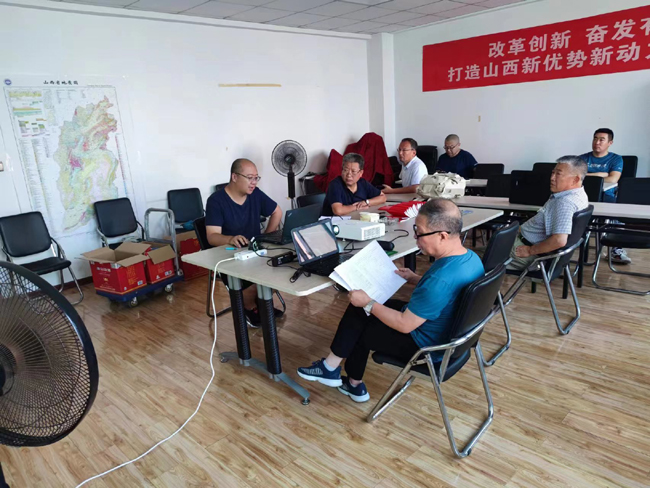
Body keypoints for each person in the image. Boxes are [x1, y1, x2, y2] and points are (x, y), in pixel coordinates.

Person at [297, 199, 484, 403]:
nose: (415, 237)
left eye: (419, 232)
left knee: (360, 325)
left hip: (426, 348)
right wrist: (415, 278)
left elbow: (404, 324)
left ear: (442, 236)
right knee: (362, 311)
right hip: (446, 336)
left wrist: (368, 302)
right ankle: (336, 372)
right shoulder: (470, 259)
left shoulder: (439, 281)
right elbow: (448, 291)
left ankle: (346, 379)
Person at [206, 158, 283, 325]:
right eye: (249, 178)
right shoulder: (216, 201)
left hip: (255, 251)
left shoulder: (255, 194)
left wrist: (266, 236)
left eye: (256, 178)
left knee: (282, 272)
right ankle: (249, 307)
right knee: (258, 280)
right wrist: (230, 239)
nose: (254, 182)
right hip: (229, 256)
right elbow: (212, 236)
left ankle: (262, 303)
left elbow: (277, 212)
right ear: (234, 177)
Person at [508, 156, 589, 271]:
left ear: (575, 180)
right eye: (553, 173)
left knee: (481, 259)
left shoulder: (564, 202)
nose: (552, 178)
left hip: (525, 252)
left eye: (558, 174)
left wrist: (530, 250)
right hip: (525, 244)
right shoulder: (580, 195)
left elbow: (559, 240)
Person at [580, 128, 629, 264]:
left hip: (606, 195)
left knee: (617, 212)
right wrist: (601, 175)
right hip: (584, 195)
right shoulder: (582, 159)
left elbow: (613, 179)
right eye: (595, 138)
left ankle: (616, 250)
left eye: (602, 139)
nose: (597, 142)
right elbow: (576, 177)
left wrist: (588, 176)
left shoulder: (616, 159)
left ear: (610, 143)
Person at [322, 153, 387, 217]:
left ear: (361, 173)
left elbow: (383, 197)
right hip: (332, 222)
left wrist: (366, 202)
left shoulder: (362, 183)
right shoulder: (335, 185)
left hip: (354, 219)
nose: (349, 175)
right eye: (346, 170)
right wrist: (357, 207)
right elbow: (338, 210)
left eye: (353, 171)